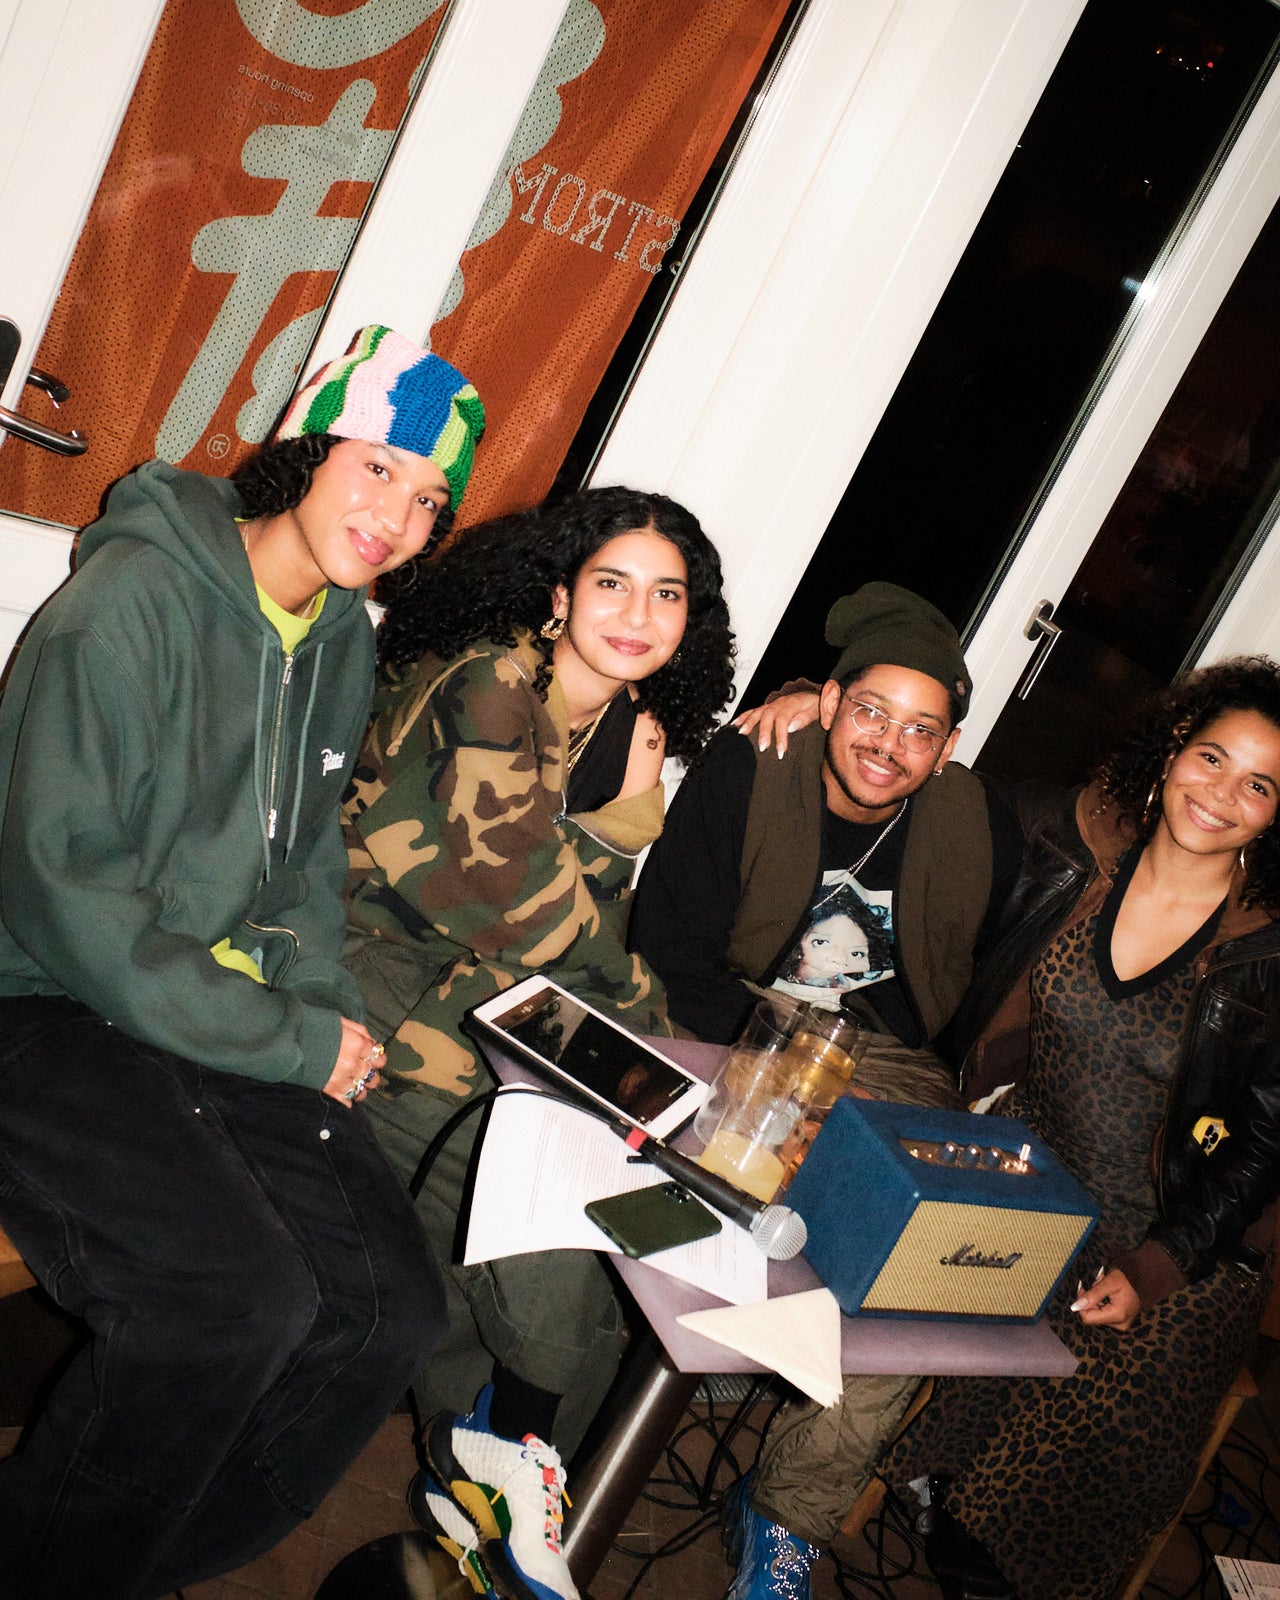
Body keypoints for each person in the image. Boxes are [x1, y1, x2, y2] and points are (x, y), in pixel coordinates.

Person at [0, 324, 484, 1600]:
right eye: (377, 468)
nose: (395, 518)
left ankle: (130, 1559)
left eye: (426, 499)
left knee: (391, 1309)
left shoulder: (340, 635)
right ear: (305, 451)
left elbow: (305, 859)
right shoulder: (125, 605)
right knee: (229, 1299)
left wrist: (321, 1009)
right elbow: (62, 892)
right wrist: (286, 1039)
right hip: (43, 994)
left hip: (213, 1003)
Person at [340, 485, 735, 1600]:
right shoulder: (488, 683)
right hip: (373, 994)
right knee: (556, 1221)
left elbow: (559, 916)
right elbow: (522, 902)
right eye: (612, 583)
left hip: (494, 1003)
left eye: (667, 595)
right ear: (558, 594)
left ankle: (490, 1467)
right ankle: (507, 1460)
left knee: (629, 1192)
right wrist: (650, 1021)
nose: (638, 614)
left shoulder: (613, 724)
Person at [628, 580, 1022, 1600]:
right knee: (721, 1176)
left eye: (921, 730)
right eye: (871, 712)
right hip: (738, 1015)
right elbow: (669, 946)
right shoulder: (752, 766)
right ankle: (680, 1369)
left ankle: (786, 1513)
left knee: (925, 1255)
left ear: (948, 747)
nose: (889, 745)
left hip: (884, 1055)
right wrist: (775, 1067)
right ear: (831, 700)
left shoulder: (976, 821)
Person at [879, 655, 1280, 1600]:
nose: (1220, 795)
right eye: (1211, 758)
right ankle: (948, 1499)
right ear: (1173, 750)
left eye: (1259, 785)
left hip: (1182, 1234)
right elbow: (932, 783)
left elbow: (1261, 1152)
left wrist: (1158, 1267)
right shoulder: (1082, 845)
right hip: (1039, 1175)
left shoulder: (1267, 951)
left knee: (1034, 1512)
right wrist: (808, 709)